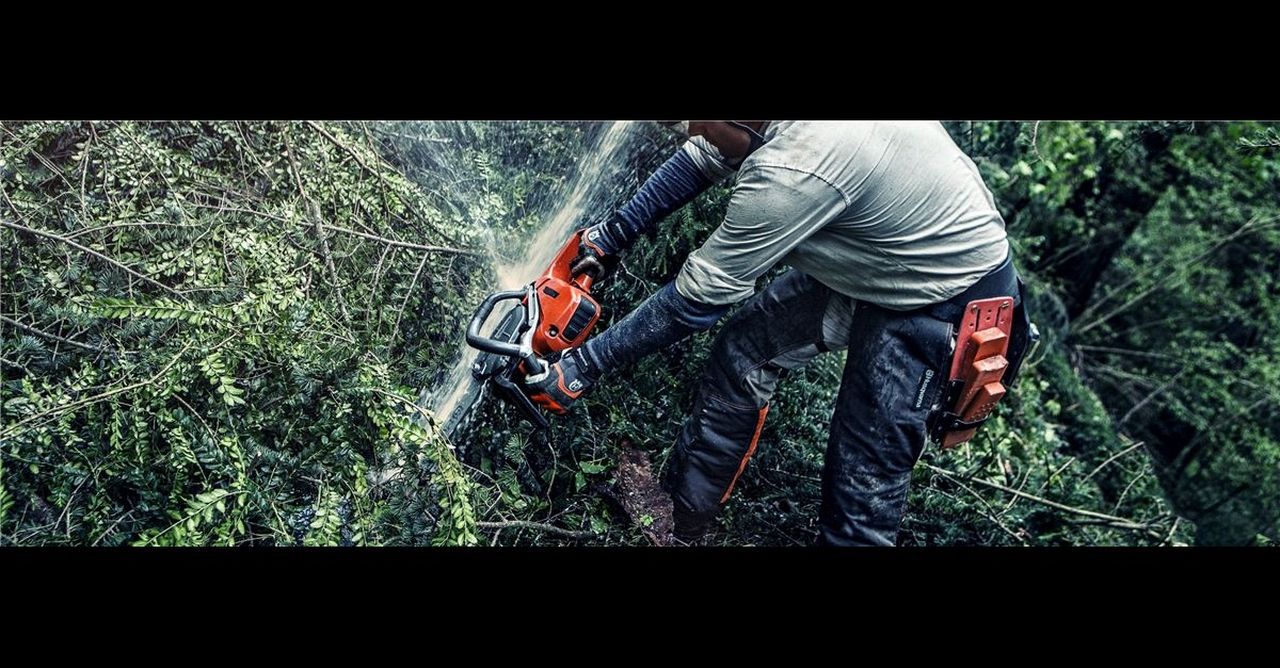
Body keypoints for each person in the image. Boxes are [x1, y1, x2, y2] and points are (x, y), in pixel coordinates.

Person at [524, 121, 1020, 546]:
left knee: (860, 494)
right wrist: (610, 238)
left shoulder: (793, 171)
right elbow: (704, 156)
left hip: (949, 298)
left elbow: (697, 300)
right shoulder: (760, 129)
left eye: (698, 121)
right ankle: (680, 523)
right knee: (746, 352)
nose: (692, 131)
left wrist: (580, 368)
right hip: (890, 251)